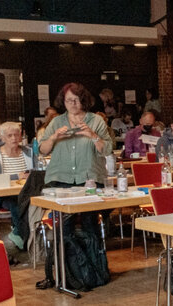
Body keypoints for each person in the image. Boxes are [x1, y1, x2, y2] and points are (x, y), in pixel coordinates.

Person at [38, 83, 112, 257]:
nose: (72, 104)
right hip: (60, 177)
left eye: (76, 100)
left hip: (89, 178)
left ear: (83, 100)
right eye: (68, 100)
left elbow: (107, 149)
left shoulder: (96, 121)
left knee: (90, 224)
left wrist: (93, 136)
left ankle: (92, 266)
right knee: (64, 226)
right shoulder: (57, 121)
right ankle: (68, 269)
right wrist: (55, 137)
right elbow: (42, 149)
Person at [0, 121, 34, 249]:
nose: (14, 138)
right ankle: (22, 236)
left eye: (16, 135)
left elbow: (37, 170)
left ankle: (20, 234)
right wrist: (16, 177)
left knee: (30, 203)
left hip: (27, 192)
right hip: (5, 196)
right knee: (17, 203)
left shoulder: (29, 151)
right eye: (10, 135)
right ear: (3, 138)